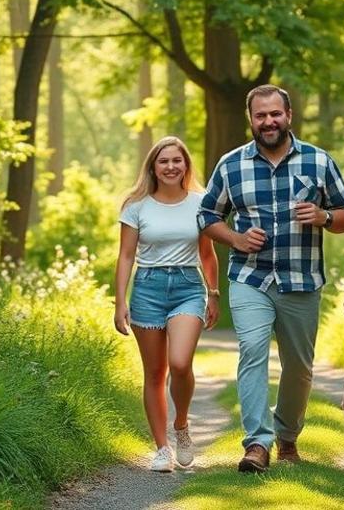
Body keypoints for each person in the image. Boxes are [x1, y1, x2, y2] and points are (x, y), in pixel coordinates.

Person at [199, 85, 344, 473]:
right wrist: (235, 238)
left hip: (302, 279)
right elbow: (207, 216)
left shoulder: (318, 162)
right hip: (250, 277)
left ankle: (287, 436)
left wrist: (324, 218)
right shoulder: (231, 165)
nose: (268, 122)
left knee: (299, 366)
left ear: (289, 116)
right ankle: (257, 443)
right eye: (260, 116)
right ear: (250, 120)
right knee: (252, 350)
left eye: (275, 114)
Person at [114, 136, 220, 473]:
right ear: (153, 167)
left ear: (186, 165)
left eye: (177, 160)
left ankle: (182, 426)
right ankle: (161, 448)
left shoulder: (201, 202)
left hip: (188, 287)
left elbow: (207, 253)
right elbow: (126, 256)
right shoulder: (136, 206)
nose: (171, 166)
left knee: (179, 362)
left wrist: (213, 293)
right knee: (155, 373)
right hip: (147, 288)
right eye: (164, 161)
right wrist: (120, 302)